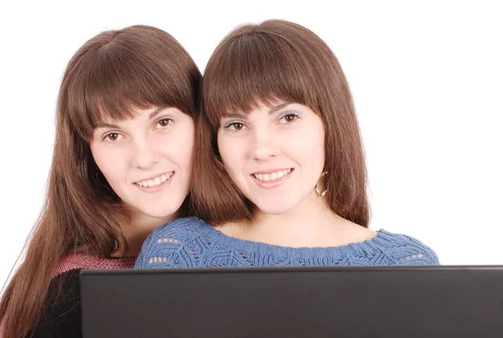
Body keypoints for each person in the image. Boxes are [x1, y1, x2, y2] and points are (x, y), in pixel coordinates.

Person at [0, 25, 201, 338]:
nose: (144, 157)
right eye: (113, 135)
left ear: (200, 121)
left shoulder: (243, 241)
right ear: (88, 154)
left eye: (163, 122)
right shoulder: (65, 291)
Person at [135, 20, 438, 269]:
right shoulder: (176, 254)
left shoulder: (406, 265)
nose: (262, 149)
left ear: (330, 123)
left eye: (287, 117)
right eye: (236, 125)